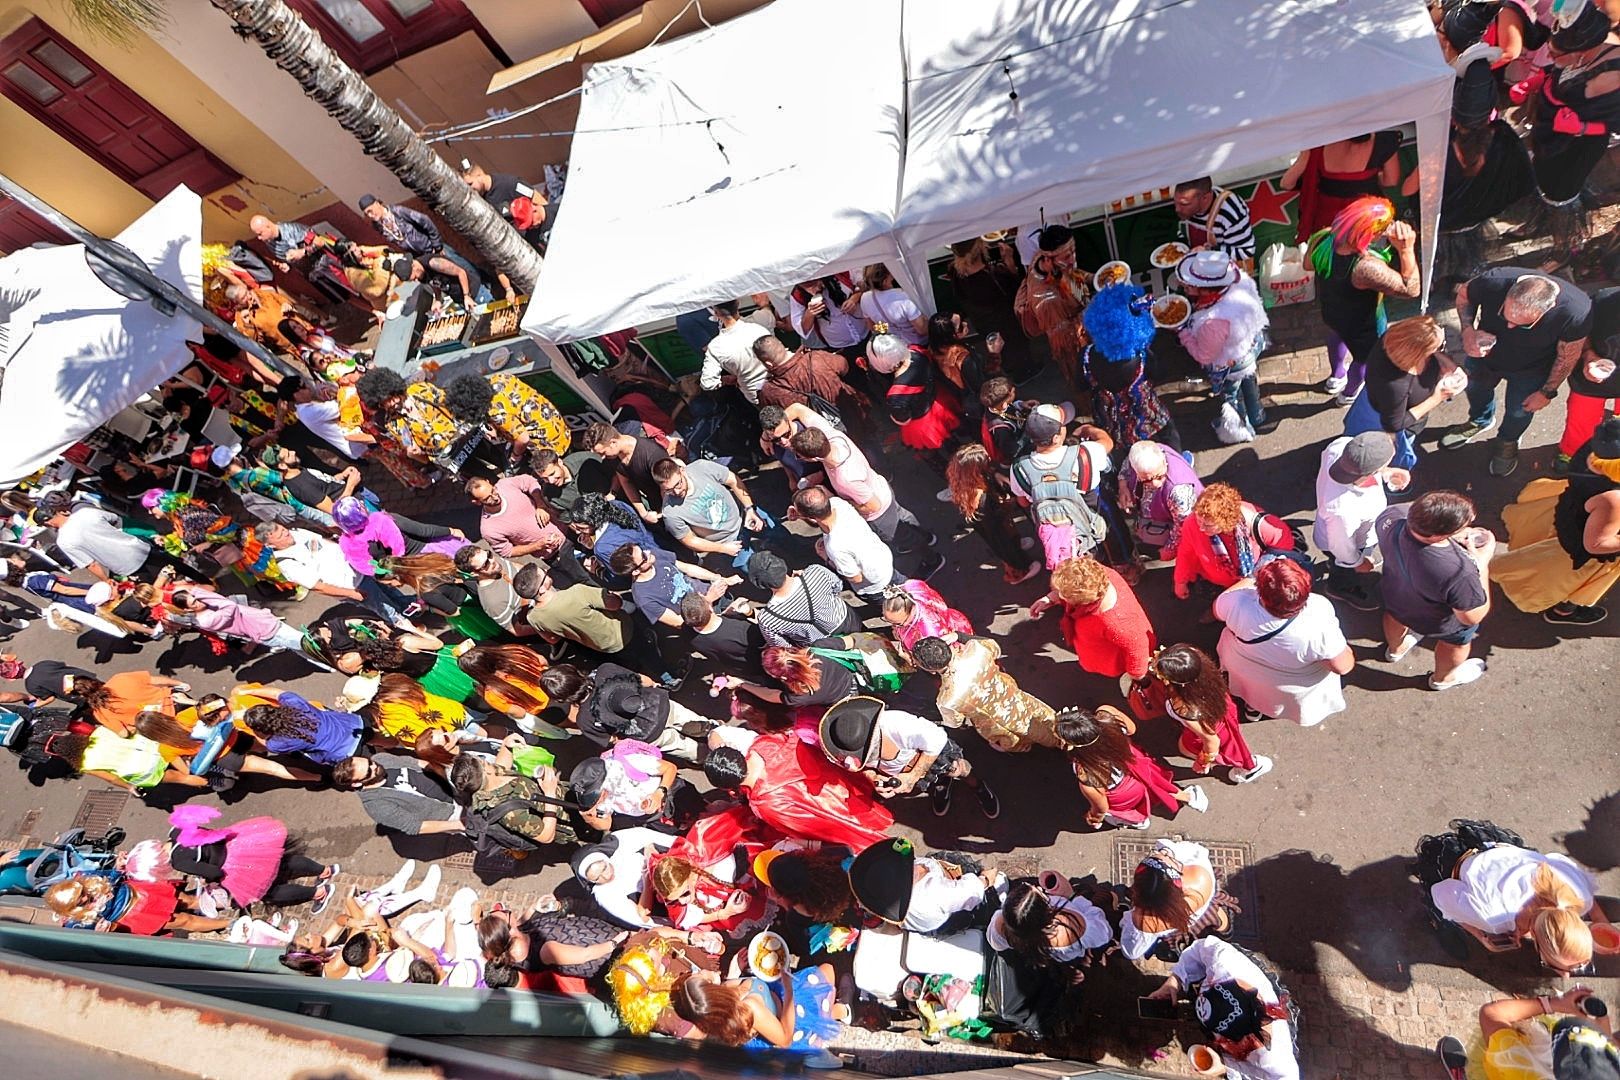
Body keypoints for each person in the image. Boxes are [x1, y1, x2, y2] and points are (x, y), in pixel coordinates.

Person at [1444, 268, 1593, 477]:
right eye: (1506, 315)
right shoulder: (1494, 281)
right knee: (1476, 388)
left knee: (1519, 410)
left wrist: (1547, 392)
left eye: (1521, 324)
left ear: (1548, 309)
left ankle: (1508, 440)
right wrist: (1468, 331)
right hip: (1485, 355)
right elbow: (1464, 294)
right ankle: (1480, 419)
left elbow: (1567, 356)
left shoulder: (1576, 312)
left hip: (1532, 368)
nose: (1509, 326)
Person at [1414, 819, 1606, 974]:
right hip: (1457, 862)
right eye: (1555, 967)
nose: (1566, 975)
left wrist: (1599, 919)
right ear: (1537, 944)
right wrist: (1481, 936)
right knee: (1444, 913)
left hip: (1505, 851)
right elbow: (1441, 894)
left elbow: (1557, 860)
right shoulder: (1493, 919)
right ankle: (1439, 925)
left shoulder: (1579, 894)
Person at [1492, 416, 1620, 625]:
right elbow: (1597, 544)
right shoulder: (1615, 499)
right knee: (1572, 579)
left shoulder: (1599, 447)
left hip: (1571, 511)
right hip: (1585, 543)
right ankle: (1564, 611)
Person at [1520, 5, 1620, 269]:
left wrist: (1581, 128)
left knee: (1561, 194)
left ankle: (1565, 250)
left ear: (1580, 52)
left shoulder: (1612, 74)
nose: (1550, 56)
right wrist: (1539, 82)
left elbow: (1612, 123)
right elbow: (1560, 74)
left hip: (1577, 145)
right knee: (1543, 181)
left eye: (1554, 54)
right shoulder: (1587, 41)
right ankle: (1540, 223)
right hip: (1552, 132)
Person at [1307, 197, 1421, 404]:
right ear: (1371, 234)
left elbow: (1308, 265)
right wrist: (1406, 250)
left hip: (1331, 311)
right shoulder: (1366, 268)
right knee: (1365, 358)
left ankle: (1336, 376)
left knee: (1336, 336)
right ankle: (1348, 394)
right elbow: (1411, 289)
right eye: (1385, 227)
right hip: (1363, 324)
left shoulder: (1322, 238)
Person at [1215, 561, 1354, 728]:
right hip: (1290, 682)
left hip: (1243, 664)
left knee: (1254, 687)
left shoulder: (1238, 601)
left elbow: (1217, 611)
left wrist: (1250, 580)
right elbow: (1343, 666)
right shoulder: (1318, 611)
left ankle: (1252, 707)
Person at [1376, 490, 1493, 690]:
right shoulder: (1459, 571)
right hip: (1440, 622)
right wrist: (1482, 564)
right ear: (1439, 535)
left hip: (1396, 596)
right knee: (1456, 643)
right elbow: (1472, 617)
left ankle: (1395, 650)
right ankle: (1442, 680)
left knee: (1395, 617)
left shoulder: (1390, 516)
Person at [704, 731, 893, 849]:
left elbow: (808, 827)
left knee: (855, 832)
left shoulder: (765, 804)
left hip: (826, 808)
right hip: (831, 783)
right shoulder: (763, 744)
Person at [819, 695, 998, 819]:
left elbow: (937, 739)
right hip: (903, 771)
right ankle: (942, 785)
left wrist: (912, 777)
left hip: (930, 754)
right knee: (938, 780)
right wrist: (875, 778)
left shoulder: (899, 724)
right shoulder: (845, 746)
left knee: (959, 769)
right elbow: (863, 769)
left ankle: (977, 786)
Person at [1144, 937, 1300, 1079]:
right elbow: (1198, 950)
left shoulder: (1271, 1057)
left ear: (1239, 1043)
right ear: (1217, 983)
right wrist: (1175, 980)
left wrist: (1226, 1069)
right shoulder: (1222, 961)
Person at [1342, 314, 1465, 472]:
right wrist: (1437, 398)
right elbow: (1394, 424)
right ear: (1416, 354)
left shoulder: (1394, 339)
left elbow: (1430, 350)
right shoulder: (1397, 386)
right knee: (1389, 457)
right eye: (1437, 347)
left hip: (1372, 399)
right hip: (1390, 418)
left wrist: (1449, 366)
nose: (1440, 350)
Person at [1137, 644, 1273, 784]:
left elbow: (1212, 741)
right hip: (1221, 710)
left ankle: (1249, 767)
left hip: (1209, 729)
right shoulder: (1197, 660)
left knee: (1192, 749)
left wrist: (1203, 762)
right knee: (1234, 742)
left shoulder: (1185, 709)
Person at [787, 423, 935, 551]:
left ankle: (931, 557)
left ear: (814, 458)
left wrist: (834, 499)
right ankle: (926, 535)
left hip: (880, 513)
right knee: (903, 515)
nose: (797, 458)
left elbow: (872, 505)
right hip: (881, 487)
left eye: (799, 456)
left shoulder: (845, 479)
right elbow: (800, 409)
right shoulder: (837, 438)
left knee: (903, 536)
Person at [1057, 705, 1206, 830]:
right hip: (1135, 762)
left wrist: (1094, 818)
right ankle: (1189, 797)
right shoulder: (1107, 714)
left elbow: (1101, 807)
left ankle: (1140, 822)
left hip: (1124, 793)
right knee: (1158, 785)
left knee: (1126, 811)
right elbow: (1131, 729)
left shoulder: (1087, 775)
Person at [1177, 251, 1273, 439]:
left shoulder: (1213, 322)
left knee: (1232, 395)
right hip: (1251, 346)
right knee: (1249, 380)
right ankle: (1257, 415)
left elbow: (1204, 356)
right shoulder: (1239, 280)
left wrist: (1182, 332)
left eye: (1191, 284)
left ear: (1206, 289)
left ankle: (1240, 431)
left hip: (1230, 363)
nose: (1185, 286)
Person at [1077, 282, 1181, 453]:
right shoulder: (1141, 356)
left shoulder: (1085, 356)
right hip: (1147, 418)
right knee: (1170, 434)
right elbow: (1161, 374)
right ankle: (1180, 463)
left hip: (1111, 424)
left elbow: (1081, 385)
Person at [544, 661, 716, 764]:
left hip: (647, 734)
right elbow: (644, 681)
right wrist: (655, 686)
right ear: (573, 670)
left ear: (563, 699)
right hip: (659, 704)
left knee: (684, 747)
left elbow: (613, 740)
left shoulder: (584, 720)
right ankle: (718, 734)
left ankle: (710, 758)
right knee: (695, 722)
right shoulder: (605, 670)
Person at [913, 635, 1062, 754]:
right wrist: (959, 635)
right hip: (1017, 698)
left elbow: (955, 722)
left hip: (998, 725)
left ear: (931, 670)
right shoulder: (977, 651)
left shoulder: (947, 700)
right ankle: (1065, 738)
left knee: (1015, 740)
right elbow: (994, 646)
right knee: (1047, 722)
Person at [1010, 406, 1113, 572]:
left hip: (1054, 537)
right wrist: (1089, 429)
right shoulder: (1085, 454)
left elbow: (1022, 501)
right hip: (1087, 531)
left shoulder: (1019, 468)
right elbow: (1108, 443)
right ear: (1057, 437)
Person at [1313, 431, 1407, 611]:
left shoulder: (1342, 446)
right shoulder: (1342, 509)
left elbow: (1366, 468)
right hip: (1346, 544)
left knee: (1338, 562)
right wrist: (1357, 563)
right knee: (1342, 569)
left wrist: (1387, 473)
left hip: (1346, 532)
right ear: (1372, 471)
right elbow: (1341, 546)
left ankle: (1336, 568)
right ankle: (1339, 588)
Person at [1438, 988, 1619, 1080]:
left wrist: (1554, 1003)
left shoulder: (1518, 1063)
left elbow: (1491, 1014)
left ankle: (1462, 1075)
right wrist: (1602, 1019)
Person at [255, 522, 410, 625]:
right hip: (353, 585)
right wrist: (352, 593)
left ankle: (410, 609)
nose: (287, 534)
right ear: (269, 545)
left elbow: (323, 541)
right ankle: (408, 627)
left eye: (283, 529)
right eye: (281, 536)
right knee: (385, 607)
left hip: (360, 567)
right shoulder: (288, 563)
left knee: (391, 591)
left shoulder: (296, 531)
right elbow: (318, 587)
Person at [1033, 555, 1157, 682]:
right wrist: (1051, 598)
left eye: (1064, 595)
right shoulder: (1096, 576)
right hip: (1097, 646)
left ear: (1082, 600)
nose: (1060, 596)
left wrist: (1138, 677)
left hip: (1110, 657)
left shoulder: (1118, 622)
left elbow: (1137, 648)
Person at [846, 836, 1003, 936]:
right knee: (982, 906)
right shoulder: (935, 894)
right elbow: (970, 892)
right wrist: (986, 880)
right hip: (946, 918)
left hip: (918, 920)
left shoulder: (874, 890)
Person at [1173, 484, 1298, 608]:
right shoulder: (1192, 523)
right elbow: (1185, 553)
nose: (1200, 527)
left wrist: (1261, 571)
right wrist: (1180, 581)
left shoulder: (1256, 523)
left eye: (1208, 525)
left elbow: (1284, 543)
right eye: (1199, 520)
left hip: (1253, 583)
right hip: (1216, 581)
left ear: (1226, 520)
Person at [670, 964, 842, 1051]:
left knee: (827, 973)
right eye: (701, 975)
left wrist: (734, 970)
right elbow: (785, 1040)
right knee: (827, 972)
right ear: (711, 990)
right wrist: (788, 989)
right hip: (792, 1020)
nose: (701, 970)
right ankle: (841, 1012)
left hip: (777, 996)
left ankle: (836, 1012)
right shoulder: (750, 1008)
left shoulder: (722, 998)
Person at [1279, 131, 1405, 242]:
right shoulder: (1384, 140)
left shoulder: (1318, 142)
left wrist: (1306, 153)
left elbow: (1286, 183)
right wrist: (1365, 179)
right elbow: (1391, 181)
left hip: (1329, 228)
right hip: (1368, 224)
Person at [1119, 839, 1234, 961]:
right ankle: (1225, 931)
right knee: (1215, 917)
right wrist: (1167, 852)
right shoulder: (1199, 874)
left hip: (1182, 927)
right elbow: (1190, 848)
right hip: (1207, 908)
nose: (1164, 854)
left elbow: (1131, 951)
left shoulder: (1148, 921)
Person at [358, 194, 479, 308]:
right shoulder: (378, 226)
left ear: (377, 203)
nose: (370, 215)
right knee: (441, 279)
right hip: (421, 257)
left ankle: (484, 288)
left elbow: (424, 220)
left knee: (462, 268)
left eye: (370, 210)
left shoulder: (398, 212)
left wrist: (437, 245)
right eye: (366, 214)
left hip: (432, 248)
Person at [946, 442, 1040, 583]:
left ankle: (1017, 545)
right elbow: (995, 524)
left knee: (1010, 541)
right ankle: (1019, 572)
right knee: (1008, 548)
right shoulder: (980, 500)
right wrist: (1008, 503)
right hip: (997, 529)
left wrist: (996, 475)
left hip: (995, 524)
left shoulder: (963, 481)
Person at [943, 236, 1033, 380]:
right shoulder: (995, 275)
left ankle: (1010, 369)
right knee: (1016, 347)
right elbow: (1019, 292)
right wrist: (1010, 262)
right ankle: (1023, 374)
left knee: (999, 348)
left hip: (982, 322)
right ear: (981, 248)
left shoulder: (955, 271)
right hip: (1007, 321)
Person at [652, 456, 766, 567]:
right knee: (761, 571)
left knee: (779, 536)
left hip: (746, 516)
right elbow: (689, 540)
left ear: (682, 471)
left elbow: (732, 480)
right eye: (668, 490)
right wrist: (722, 548)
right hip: (729, 542)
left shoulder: (701, 468)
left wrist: (749, 508)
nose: (676, 491)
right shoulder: (670, 513)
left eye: (678, 483)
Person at [866, 333, 962, 463]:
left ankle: (951, 473)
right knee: (951, 440)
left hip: (923, 424)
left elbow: (902, 418)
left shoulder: (896, 395)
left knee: (932, 456)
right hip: (938, 401)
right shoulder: (917, 351)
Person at [793, 486, 902, 599]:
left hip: (876, 585)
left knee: (890, 604)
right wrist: (801, 515)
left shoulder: (835, 547)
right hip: (884, 560)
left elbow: (856, 578)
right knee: (909, 591)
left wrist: (826, 558)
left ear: (809, 516)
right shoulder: (838, 504)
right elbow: (820, 517)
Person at [734, 551, 860, 647]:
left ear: (759, 584)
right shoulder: (816, 572)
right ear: (782, 564)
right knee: (868, 642)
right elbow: (838, 586)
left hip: (823, 645)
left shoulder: (768, 619)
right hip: (846, 619)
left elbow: (783, 646)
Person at [450, 754, 577, 850]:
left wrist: (507, 745)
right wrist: (550, 793)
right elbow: (546, 836)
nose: (487, 760)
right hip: (572, 823)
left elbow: (502, 765)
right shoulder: (509, 813)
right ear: (486, 771)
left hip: (568, 797)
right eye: (482, 760)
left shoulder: (492, 777)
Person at [444, 372, 571, 467]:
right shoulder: (501, 378)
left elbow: (523, 439)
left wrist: (516, 456)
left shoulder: (496, 412)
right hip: (555, 423)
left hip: (550, 444)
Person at [1015, 224, 1088, 385]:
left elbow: (1072, 276)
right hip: (1074, 349)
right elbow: (1065, 338)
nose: (1073, 259)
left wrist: (1094, 278)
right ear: (1048, 259)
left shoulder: (1044, 260)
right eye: (1067, 256)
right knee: (1083, 381)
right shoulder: (1046, 301)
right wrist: (1091, 310)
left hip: (1080, 318)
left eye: (1073, 252)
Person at [1558, 287, 1620, 473]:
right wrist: (1588, 354)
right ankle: (1572, 452)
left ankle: (1613, 454)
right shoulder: (1601, 301)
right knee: (1580, 420)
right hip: (1590, 377)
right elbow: (1578, 332)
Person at [36, 493, 160, 584]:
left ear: (49, 523)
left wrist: (106, 580)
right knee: (170, 564)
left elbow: (91, 564)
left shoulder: (63, 541)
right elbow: (114, 518)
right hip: (138, 547)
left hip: (125, 565)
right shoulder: (83, 511)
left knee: (158, 584)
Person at [333, 753, 465, 838]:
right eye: (368, 772)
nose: (375, 767)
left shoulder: (380, 758)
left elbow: (418, 763)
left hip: (456, 787)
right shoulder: (376, 805)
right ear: (356, 784)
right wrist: (460, 824)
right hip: (452, 813)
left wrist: (450, 777)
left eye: (370, 762)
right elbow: (416, 826)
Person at [610, 542, 736, 629]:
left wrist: (719, 579)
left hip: (714, 592)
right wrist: (708, 599)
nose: (647, 553)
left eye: (642, 549)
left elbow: (687, 568)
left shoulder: (654, 556)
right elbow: (679, 622)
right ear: (636, 571)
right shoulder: (644, 598)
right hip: (705, 619)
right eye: (643, 556)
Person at [1117, 439, 1203, 561]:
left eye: (1159, 476)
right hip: (1156, 509)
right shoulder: (1149, 451)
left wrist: (1169, 550)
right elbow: (1127, 463)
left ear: (1163, 461)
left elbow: (1183, 527)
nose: (1155, 484)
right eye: (1147, 480)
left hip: (1181, 520)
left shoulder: (1178, 492)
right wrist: (1123, 486)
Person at [356, 369, 462, 466]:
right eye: (384, 402)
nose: (392, 403)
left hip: (462, 436)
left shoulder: (420, 390)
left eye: (391, 397)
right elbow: (410, 448)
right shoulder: (392, 424)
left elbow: (452, 404)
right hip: (445, 458)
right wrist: (415, 452)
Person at [238, 688, 366, 768]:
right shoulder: (295, 704)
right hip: (356, 725)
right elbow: (277, 693)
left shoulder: (277, 744)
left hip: (345, 753)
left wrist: (248, 729)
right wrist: (250, 691)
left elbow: (264, 742)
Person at [584, 422, 678, 525]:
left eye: (603, 453)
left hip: (674, 504)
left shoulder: (651, 454)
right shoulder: (614, 457)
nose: (602, 458)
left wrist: (662, 512)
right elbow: (626, 481)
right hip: (655, 507)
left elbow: (670, 484)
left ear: (613, 443)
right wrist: (643, 513)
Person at [752, 334, 866, 417]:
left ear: (768, 363)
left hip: (823, 439)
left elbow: (776, 420)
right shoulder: (816, 358)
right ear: (782, 345)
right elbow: (844, 366)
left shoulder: (769, 392)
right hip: (852, 416)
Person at [466, 474, 567, 561]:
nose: (495, 497)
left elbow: (529, 481)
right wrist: (538, 545)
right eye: (487, 498)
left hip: (567, 527)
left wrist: (540, 505)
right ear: (477, 502)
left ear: (488, 482)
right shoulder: (489, 529)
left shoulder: (505, 484)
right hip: (555, 554)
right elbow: (507, 552)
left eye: (493, 490)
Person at [678, 593, 768, 680]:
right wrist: (750, 613)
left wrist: (727, 613)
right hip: (759, 666)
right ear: (710, 608)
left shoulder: (686, 632)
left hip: (735, 668)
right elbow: (766, 639)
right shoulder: (741, 629)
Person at [698, 300, 773, 404]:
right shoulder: (758, 329)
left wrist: (728, 380)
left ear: (715, 313)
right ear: (738, 304)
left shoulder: (716, 346)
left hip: (755, 395)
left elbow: (707, 383)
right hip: (777, 384)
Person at [1173, 177, 1256, 261]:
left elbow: (1246, 252)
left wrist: (1209, 252)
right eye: (1175, 202)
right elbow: (1181, 230)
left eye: (1184, 204)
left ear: (1205, 198)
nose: (1177, 209)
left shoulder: (1231, 214)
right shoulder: (1185, 206)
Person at [789, 273, 870, 358]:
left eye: (815, 284)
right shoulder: (797, 295)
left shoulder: (840, 273)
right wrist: (810, 313)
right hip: (839, 347)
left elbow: (865, 286)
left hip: (866, 332)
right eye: (809, 288)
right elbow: (802, 330)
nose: (814, 291)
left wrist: (854, 298)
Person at [529, 446, 614, 515]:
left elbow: (616, 474)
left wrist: (613, 493)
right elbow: (568, 519)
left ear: (560, 462)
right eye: (545, 478)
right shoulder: (549, 495)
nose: (551, 481)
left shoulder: (585, 460)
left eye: (552, 474)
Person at [858, 264, 928, 345]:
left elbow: (872, 327)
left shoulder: (864, 298)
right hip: (918, 345)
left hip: (893, 346)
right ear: (885, 280)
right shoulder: (904, 297)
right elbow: (922, 330)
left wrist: (889, 330)